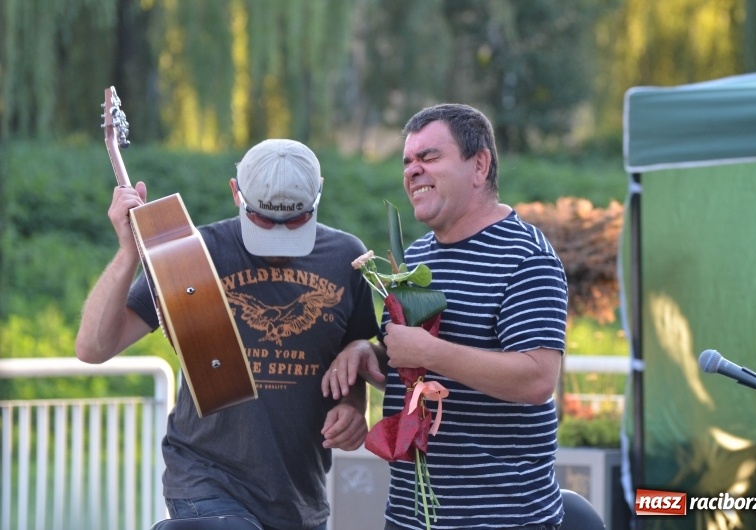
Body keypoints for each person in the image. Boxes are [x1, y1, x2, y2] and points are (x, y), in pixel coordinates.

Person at [75, 139, 379, 530]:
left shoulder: (346, 258)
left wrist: (354, 405)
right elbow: (94, 348)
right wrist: (128, 253)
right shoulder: (191, 255)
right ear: (236, 192)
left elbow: (353, 355)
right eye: (264, 222)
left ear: (318, 192)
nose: (279, 236)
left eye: (296, 221)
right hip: (206, 480)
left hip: (298, 497)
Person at [322, 104, 568, 530]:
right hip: (409, 516)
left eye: (429, 156)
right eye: (407, 161)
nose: (412, 170)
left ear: (480, 165)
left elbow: (537, 379)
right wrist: (368, 355)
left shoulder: (525, 257)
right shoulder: (415, 258)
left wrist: (430, 351)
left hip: (499, 518)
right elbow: (415, 370)